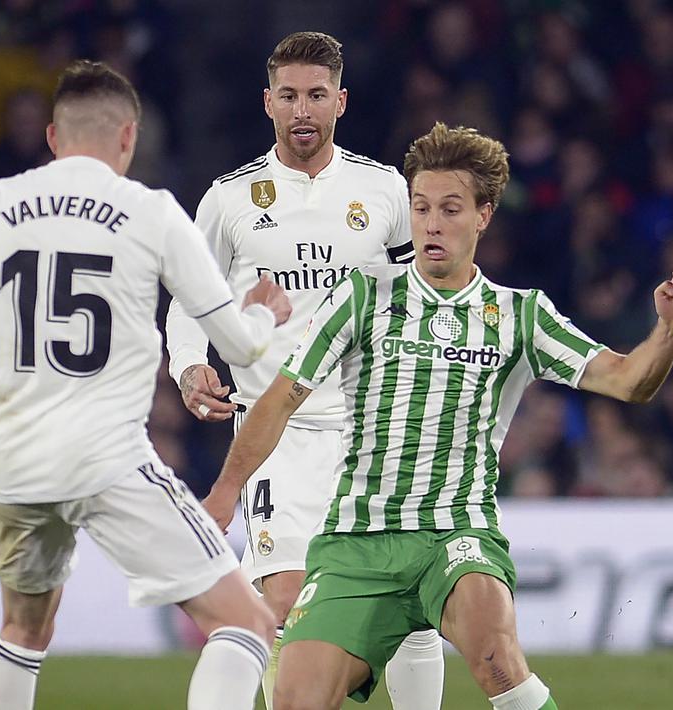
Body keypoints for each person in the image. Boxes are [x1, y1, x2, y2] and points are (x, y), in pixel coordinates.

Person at [208, 123, 673, 710]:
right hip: (357, 542)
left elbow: (627, 380)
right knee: (296, 701)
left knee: (497, 659)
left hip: (457, 534)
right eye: (420, 208)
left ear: (483, 216)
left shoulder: (519, 315)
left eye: (449, 209)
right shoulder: (364, 295)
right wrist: (225, 492)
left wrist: (667, 334)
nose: (432, 224)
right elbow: (281, 398)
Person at [0, 60, 293, 710]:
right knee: (246, 623)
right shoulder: (151, 212)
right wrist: (265, 313)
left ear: (51, 136)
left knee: (23, 631)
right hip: (107, 458)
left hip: (13, 462)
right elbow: (239, 344)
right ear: (128, 137)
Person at [164, 31, 444, 710]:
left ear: (340, 101)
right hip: (275, 434)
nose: (302, 110)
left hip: (371, 430)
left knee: (409, 603)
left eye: (316, 95)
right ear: (268, 102)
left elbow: (420, 295)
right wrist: (189, 366)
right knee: (284, 598)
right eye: (288, 95)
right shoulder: (229, 199)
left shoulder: (384, 190)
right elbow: (187, 300)